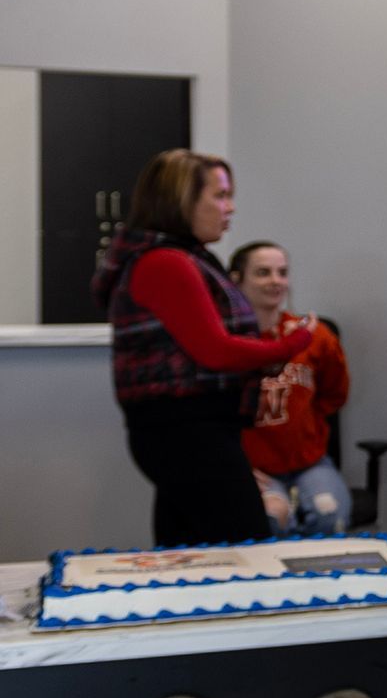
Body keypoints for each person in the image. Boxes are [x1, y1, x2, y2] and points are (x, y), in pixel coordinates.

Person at [92, 149, 314, 546]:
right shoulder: (166, 262)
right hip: (187, 434)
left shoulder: (184, 258)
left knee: (187, 555)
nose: (230, 208)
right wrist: (292, 344)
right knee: (246, 551)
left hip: (188, 431)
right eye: (220, 196)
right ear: (182, 201)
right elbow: (216, 352)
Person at [229, 241, 352, 536]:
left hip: (309, 464)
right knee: (272, 521)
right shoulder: (227, 344)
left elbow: (335, 393)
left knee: (330, 516)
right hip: (254, 469)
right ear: (236, 280)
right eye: (263, 272)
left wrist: (304, 423)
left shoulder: (314, 336)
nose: (275, 281)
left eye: (282, 273)